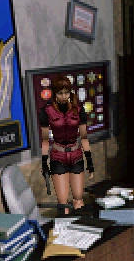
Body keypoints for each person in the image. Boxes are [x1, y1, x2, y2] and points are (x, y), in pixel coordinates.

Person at [38, 75, 94, 214]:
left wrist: (89, 161)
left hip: (76, 155)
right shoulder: (46, 111)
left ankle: (81, 224)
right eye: (60, 93)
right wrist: (44, 163)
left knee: (79, 199)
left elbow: (84, 138)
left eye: (66, 92)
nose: (64, 96)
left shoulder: (78, 110)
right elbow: (45, 140)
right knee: (63, 204)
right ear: (54, 93)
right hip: (58, 157)